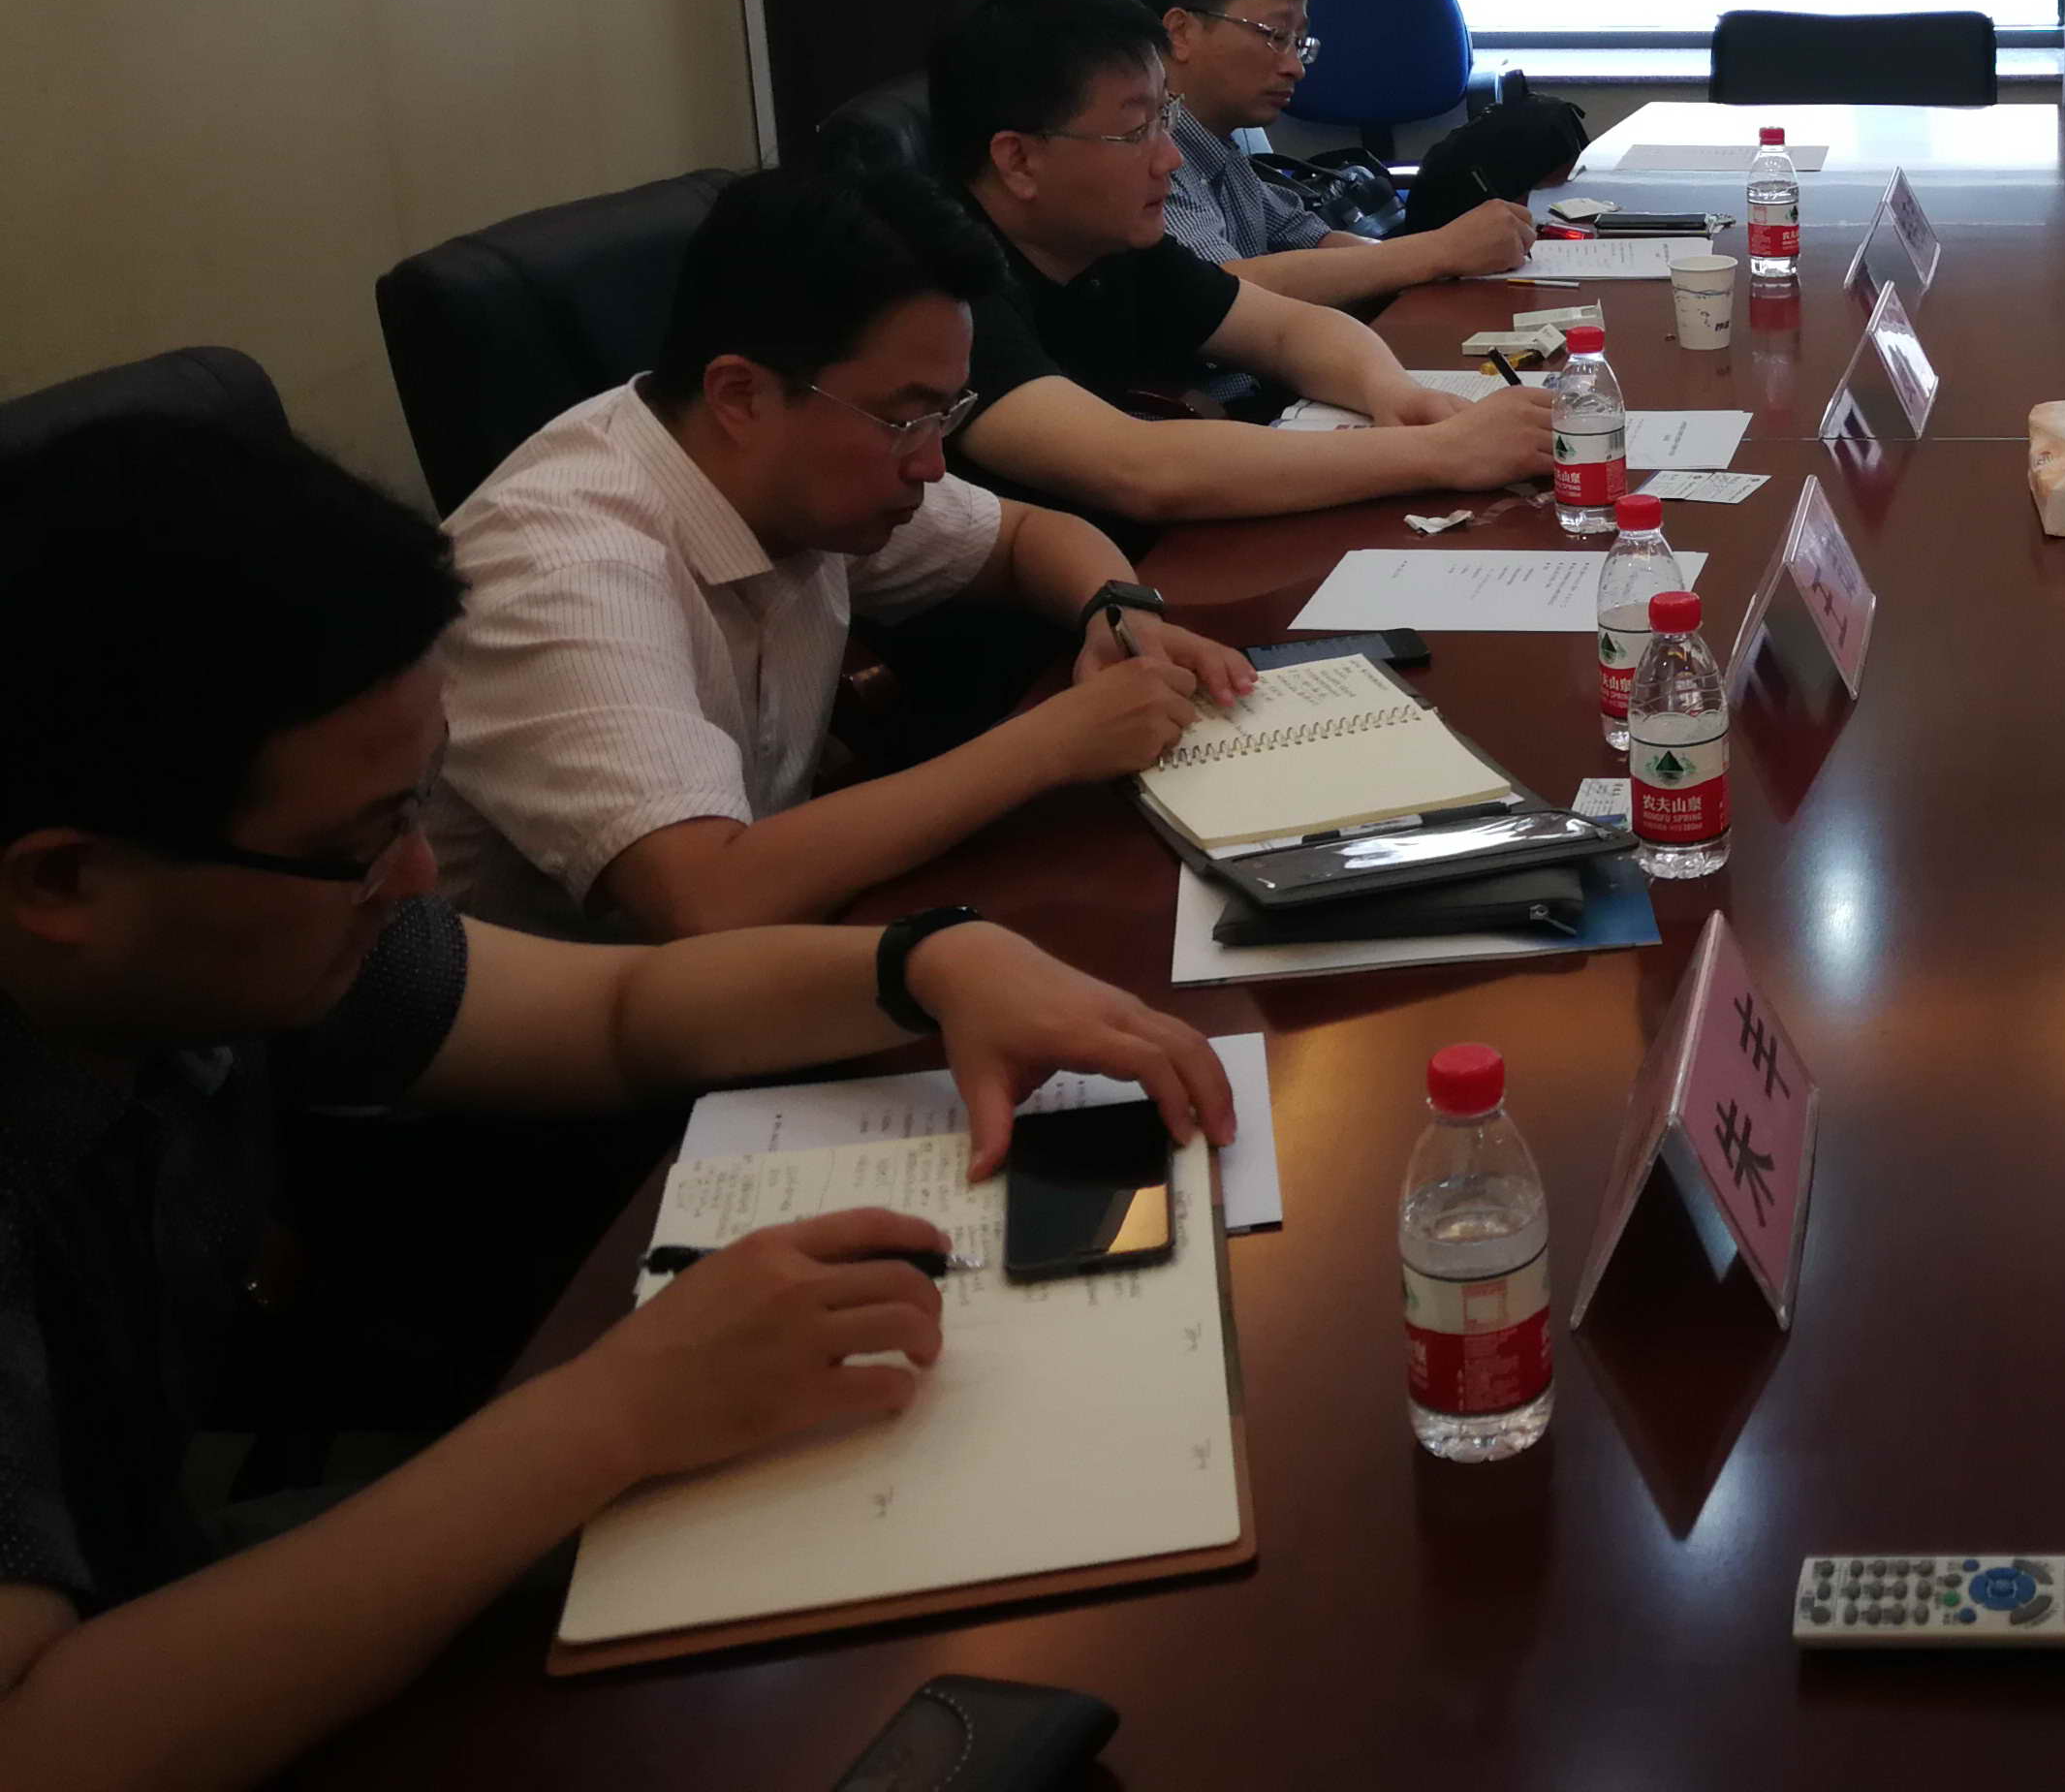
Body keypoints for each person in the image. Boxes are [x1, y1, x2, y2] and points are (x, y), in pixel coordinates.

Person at [0, 418, 1238, 1789]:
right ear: (62, 883)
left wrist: (930, 962)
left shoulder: (211, 937)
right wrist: (610, 1415)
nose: (416, 874)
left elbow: (614, 1013)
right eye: (357, 844)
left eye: (414, 807)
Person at [425, 165, 1263, 940]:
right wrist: (1051, 744)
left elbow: (1028, 536)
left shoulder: (777, 465)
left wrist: (1118, 612)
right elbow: (703, 896)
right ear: (740, 394)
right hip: (583, 1026)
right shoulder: (567, 572)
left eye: (946, 414)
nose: (931, 462)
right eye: (906, 419)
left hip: (768, 952)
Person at [928, 0, 1556, 528]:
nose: (1170, 158)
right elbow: (1139, 470)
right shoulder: (938, 292)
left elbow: (1289, 330)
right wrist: (1442, 451)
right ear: (1018, 160)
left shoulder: (1103, 242)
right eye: (1135, 132)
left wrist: (1393, 392)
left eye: (1166, 120)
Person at [1140, 0, 1535, 304]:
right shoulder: (1145, 163)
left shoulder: (1218, 148)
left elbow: (1313, 239)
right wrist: (1440, 250)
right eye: (1276, 36)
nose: (1296, 68)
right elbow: (1220, 293)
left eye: (1299, 43)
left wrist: (1450, 260)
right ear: (1181, 32)